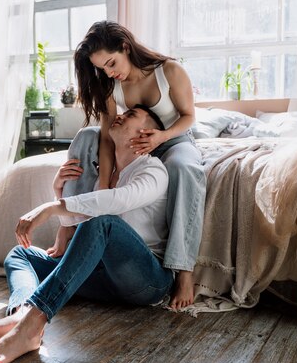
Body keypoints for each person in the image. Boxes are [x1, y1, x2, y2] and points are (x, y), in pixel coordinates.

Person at [0, 106, 173, 363]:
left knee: (104, 224)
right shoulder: (107, 175)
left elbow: (115, 203)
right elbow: (81, 220)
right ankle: (20, 312)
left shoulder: (153, 170)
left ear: (146, 135)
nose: (120, 114)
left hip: (146, 281)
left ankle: (32, 324)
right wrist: (58, 191)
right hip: (104, 278)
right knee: (21, 254)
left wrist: (52, 208)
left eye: (131, 115)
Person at [62, 20, 206, 310]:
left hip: (174, 138)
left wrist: (162, 136)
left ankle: (184, 270)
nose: (109, 72)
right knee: (85, 136)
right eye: (102, 68)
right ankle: (70, 231)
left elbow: (189, 116)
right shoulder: (111, 87)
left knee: (184, 168)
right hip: (138, 142)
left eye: (112, 62)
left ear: (126, 47)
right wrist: (104, 185)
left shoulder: (170, 72)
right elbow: (105, 138)